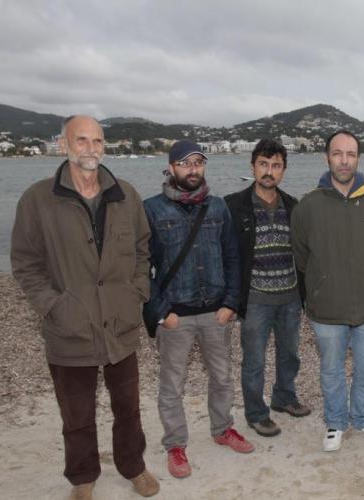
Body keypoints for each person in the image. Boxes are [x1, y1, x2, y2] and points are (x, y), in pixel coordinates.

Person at [10, 115, 159, 499]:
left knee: (128, 407)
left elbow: (142, 250)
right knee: (76, 413)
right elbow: (26, 263)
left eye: (97, 141)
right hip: (69, 329)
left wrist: (137, 292)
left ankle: (133, 466)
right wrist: (53, 306)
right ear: (64, 145)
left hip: (120, 324)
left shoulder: (126, 195)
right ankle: (82, 477)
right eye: (81, 140)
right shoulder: (38, 200)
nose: (90, 149)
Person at [143, 140, 253, 479]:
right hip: (175, 316)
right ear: (171, 167)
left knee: (222, 377)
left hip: (215, 312)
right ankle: (175, 445)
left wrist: (231, 303)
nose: (193, 169)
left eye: (198, 163)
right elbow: (140, 266)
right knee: (172, 385)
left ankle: (222, 429)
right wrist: (161, 311)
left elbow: (233, 257)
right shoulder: (152, 209)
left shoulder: (218, 207)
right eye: (185, 163)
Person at [291, 130, 364, 451]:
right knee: (331, 370)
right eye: (338, 154)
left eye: (350, 154)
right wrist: (323, 283)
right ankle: (336, 422)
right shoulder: (308, 206)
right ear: (327, 157)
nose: (344, 161)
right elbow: (301, 256)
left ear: (358, 158)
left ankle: (363, 417)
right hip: (327, 308)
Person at [225, 139, 310, 438]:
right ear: (252, 167)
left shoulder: (294, 206)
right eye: (263, 164)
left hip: (290, 296)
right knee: (254, 361)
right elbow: (227, 253)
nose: (269, 171)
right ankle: (256, 413)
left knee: (290, 354)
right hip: (255, 298)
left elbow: (305, 252)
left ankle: (284, 397)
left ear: (283, 170)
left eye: (276, 165)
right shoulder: (234, 206)